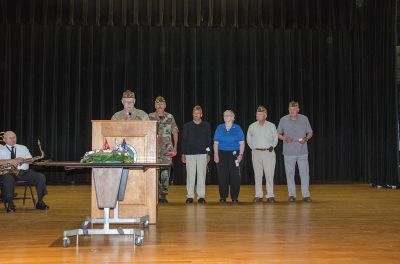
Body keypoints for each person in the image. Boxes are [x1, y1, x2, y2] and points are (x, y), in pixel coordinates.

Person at [0, 131, 49, 212]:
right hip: (6, 173)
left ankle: (40, 202)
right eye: (10, 138)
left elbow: (30, 160)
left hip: (23, 172)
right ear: (4, 139)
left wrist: (28, 160)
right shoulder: (0, 148)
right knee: (8, 179)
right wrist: (12, 161)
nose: (13, 139)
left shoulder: (23, 147)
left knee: (40, 177)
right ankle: (10, 204)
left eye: (14, 137)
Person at [277, 101, 313, 202]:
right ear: (288, 110)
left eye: (294, 109)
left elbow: (310, 132)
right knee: (289, 174)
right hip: (288, 153)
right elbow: (277, 134)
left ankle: (306, 195)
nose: (292, 111)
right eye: (290, 109)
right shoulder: (283, 119)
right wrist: (284, 138)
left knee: (304, 174)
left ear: (298, 109)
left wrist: (305, 139)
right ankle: (292, 195)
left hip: (302, 152)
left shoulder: (304, 118)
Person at [149, 96, 179, 204]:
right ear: (155, 105)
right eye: (158, 103)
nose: (160, 105)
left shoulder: (170, 117)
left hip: (167, 149)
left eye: (162, 103)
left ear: (165, 105)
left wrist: (175, 148)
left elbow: (175, 132)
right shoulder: (150, 117)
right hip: (153, 149)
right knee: (153, 172)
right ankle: (155, 193)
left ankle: (163, 195)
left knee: (166, 173)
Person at [247, 106, 278, 203]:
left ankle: (270, 195)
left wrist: (272, 146)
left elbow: (275, 138)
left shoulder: (271, 125)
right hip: (256, 152)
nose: (258, 115)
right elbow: (248, 139)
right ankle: (258, 195)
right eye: (257, 114)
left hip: (268, 152)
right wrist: (254, 148)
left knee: (269, 175)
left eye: (260, 114)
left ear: (265, 115)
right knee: (258, 175)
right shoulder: (252, 126)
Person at [181, 105, 211, 204]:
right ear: (192, 114)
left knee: (202, 175)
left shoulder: (206, 125)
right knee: (190, 175)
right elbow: (184, 140)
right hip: (190, 153)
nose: (196, 115)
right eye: (195, 113)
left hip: (202, 154)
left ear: (201, 114)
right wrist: (183, 153)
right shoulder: (187, 126)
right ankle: (190, 196)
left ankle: (201, 196)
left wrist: (208, 153)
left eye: (198, 113)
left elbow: (208, 140)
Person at [213, 110, 245, 204]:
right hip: (222, 154)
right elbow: (216, 143)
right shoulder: (219, 127)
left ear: (232, 117)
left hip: (235, 154)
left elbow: (242, 143)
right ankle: (223, 197)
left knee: (235, 177)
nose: (226, 117)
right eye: (224, 115)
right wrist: (216, 155)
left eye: (228, 115)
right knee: (223, 176)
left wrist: (241, 155)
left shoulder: (237, 128)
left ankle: (234, 197)